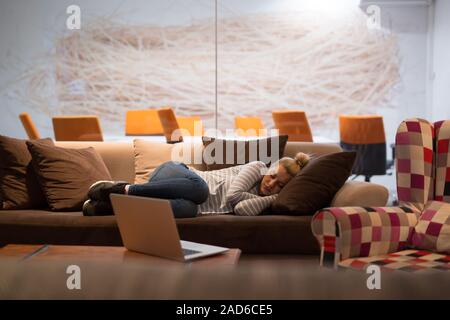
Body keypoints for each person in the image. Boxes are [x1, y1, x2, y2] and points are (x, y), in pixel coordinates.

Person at [82, 152, 310, 218]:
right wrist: (269, 198)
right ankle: (120, 188)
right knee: (201, 191)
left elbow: (240, 210)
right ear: (268, 169)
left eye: (279, 186)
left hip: (188, 201)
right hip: (178, 175)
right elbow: (233, 197)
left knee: (190, 209)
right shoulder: (257, 166)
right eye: (272, 176)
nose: (270, 184)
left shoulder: (266, 201)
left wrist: (273, 199)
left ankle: (108, 206)